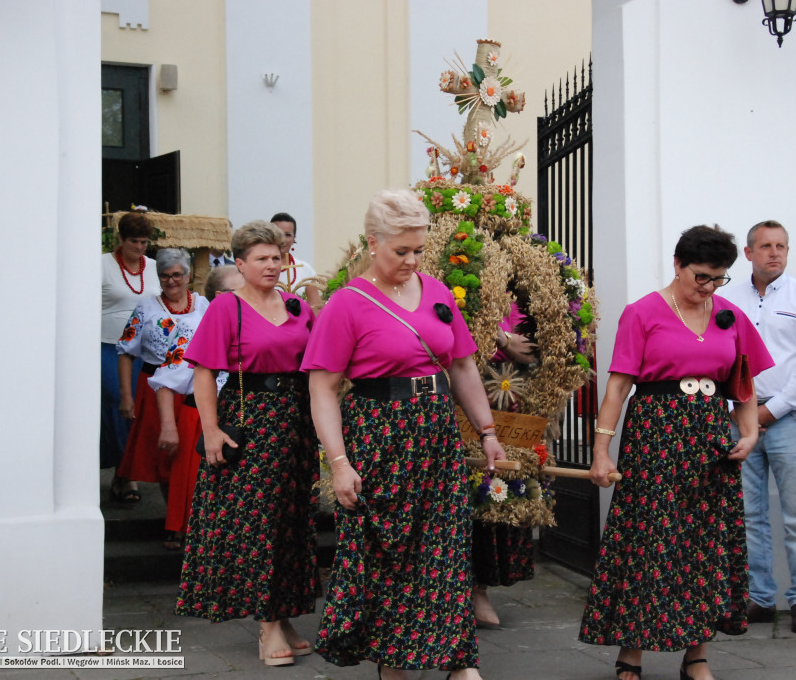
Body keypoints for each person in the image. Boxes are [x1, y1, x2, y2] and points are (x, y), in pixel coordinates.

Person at [303, 189, 505, 680]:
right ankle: (393, 665)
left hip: (435, 437)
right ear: (373, 243)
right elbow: (324, 390)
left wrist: (487, 431)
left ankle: (459, 661)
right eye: (402, 251)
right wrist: (339, 462)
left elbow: (461, 366)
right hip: (379, 437)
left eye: (420, 249)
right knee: (388, 553)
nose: (413, 261)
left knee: (446, 548)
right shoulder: (346, 305)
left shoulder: (436, 291)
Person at [579, 225, 773, 680]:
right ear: (677, 265)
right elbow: (618, 387)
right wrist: (601, 452)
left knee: (704, 546)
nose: (707, 288)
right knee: (649, 542)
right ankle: (632, 652)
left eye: (718, 279)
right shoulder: (642, 312)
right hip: (655, 437)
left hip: (709, 441)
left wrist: (749, 433)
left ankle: (697, 655)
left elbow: (742, 384)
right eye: (700, 277)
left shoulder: (730, 315)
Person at [175, 221, 319, 668]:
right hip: (251, 420)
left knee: (294, 519)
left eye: (277, 257)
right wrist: (211, 429)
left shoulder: (299, 308)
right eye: (262, 258)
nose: (273, 265)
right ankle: (267, 625)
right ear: (240, 264)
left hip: (297, 423)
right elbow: (202, 371)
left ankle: (287, 613)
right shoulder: (226, 308)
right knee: (261, 524)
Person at [718, 221, 796, 634]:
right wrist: (737, 409)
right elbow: (722, 355)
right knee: (747, 513)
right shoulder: (727, 299)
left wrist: (771, 412)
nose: (775, 253)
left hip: (790, 419)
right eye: (765, 246)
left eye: (781, 246)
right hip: (738, 417)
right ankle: (759, 598)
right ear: (748, 253)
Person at [146, 263, 244, 549]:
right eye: (235, 291)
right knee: (198, 489)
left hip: (241, 413)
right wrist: (168, 426)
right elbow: (166, 379)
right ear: (217, 295)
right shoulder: (193, 326)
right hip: (200, 417)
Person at [115, 249, 210, 528]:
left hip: (195, 389)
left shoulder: (204, 305)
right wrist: (126, 396)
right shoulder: (146, 308)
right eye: (164, 276)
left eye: (176, 275)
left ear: (188, 275)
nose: (170, 282)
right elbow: (125, 351)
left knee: (193, 458)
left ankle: (190, 520)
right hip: (156, 390)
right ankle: (175, 519)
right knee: (166, 457)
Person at [473, 299, 538, 628]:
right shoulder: (458, 292)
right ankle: (459, 588)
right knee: (467, 497)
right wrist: (502, 338)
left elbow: (530, 352)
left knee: (499, 498)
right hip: (465, 400)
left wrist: (502, 340)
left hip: (511, 407)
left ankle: (480, 589)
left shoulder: (524, 303)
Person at [101, 209, 159, 501]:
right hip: (107, 345)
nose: (139, 248)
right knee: (117, 402)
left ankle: (125, 475)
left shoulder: (153, 267)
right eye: (134, 241)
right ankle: (124, 472)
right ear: (120, 239)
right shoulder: (101, 265)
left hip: (144, 349)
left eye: (144, 242)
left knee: (140, 408)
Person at [271, 212, 322, 310]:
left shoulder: (305, 269)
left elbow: (315, 306)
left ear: (294, 238)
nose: (282, 239)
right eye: (278, 234)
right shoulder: (259, 267)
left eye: (288, 235)